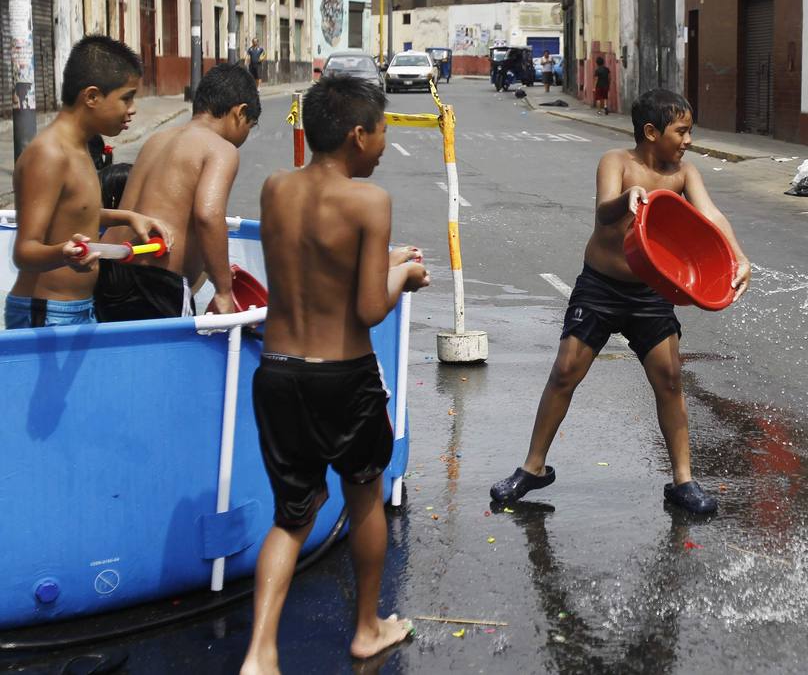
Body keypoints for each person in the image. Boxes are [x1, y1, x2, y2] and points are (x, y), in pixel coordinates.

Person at [240, 75, 428, 674]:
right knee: (366, 497)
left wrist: (384, 262)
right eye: (381, 133)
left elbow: (314, 264)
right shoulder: (370, 202)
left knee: (290, 517)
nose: (382, 145)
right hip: (341, 379)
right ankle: (368, 629)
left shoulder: (274, 189)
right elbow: (371, 307)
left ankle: (260, 654)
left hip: (276, 371)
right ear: (356, 134)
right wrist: (405, 276)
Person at [490, 89, 751, 515]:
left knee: (669, 379)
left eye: (690, 132)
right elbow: (602, 212)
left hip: (650, 292)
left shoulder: (684, 174)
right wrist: (624, 201)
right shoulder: (617, 162)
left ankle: (683, 481)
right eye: (681, 131)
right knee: (565, 372)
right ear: (651, 132)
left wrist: (739, 257)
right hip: (601, 286)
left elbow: (712, 216)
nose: (688, 140)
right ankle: (533, 467)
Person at [6, 36, 171, 330]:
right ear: (92, 96)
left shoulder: (80, 146)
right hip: (47, 314)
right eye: (127, 97)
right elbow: (24, 251)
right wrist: (63, 254)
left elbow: (73, 213)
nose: (133, 109)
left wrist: (130, 217)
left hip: (74, 309)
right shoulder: (49, 154)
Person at [96, 63, 261, 321]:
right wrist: (224, 291)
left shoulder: (157, 139)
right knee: (166, 359)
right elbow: (208, 215)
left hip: (111, 269)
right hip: (155, 280)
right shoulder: (221, 149)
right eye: (249, 126)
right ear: (240, 113)